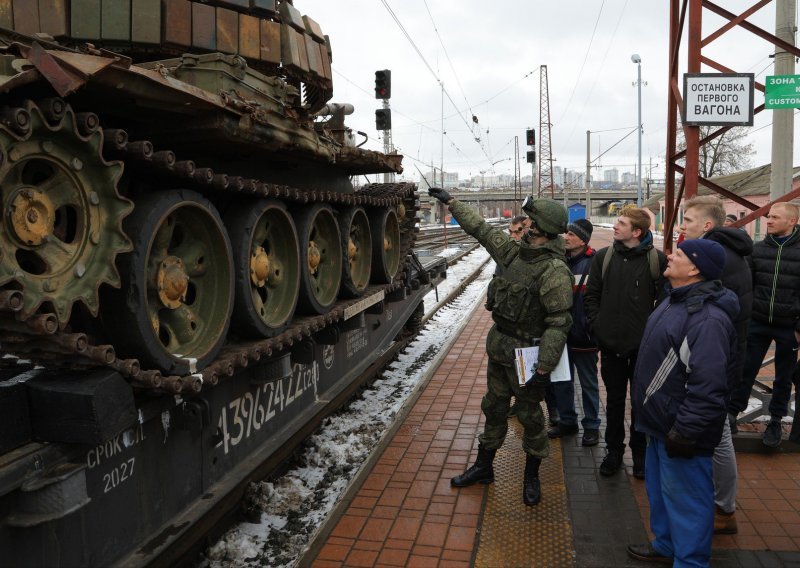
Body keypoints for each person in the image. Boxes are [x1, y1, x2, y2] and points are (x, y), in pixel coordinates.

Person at [429, 187, 573, 506]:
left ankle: (531, 475)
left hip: (528, 356)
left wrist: (544, 368)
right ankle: (484, 468)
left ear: (543, 230)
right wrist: (452, 202)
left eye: (531, 225)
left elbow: (558, 324)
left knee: (530, 416)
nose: (525, 229)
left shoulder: (553, 272)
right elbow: (480, 229)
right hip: (501, 349)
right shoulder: (513, 253)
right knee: (494, 408)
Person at [627, 239, 738, 568]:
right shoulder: (674, 300)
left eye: (678, 253)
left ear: (694, 269)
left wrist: (686, 430)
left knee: (688, 501)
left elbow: (708, 386)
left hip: (681, 428)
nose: (669, 255)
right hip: (660, 422)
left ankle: (689, 562)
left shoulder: (707, 320)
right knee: (662, 495)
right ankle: (666, 545)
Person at [680, 196, 753, 535]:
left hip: (718, 357)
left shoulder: (715, 256)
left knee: (719, 432)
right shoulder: (727, 251)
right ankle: (720, 502)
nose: (682, 226)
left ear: (707, 226)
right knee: (716, 429)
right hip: (723, 353)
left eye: (688, 220)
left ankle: (724, 508)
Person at [584, 207, 666, 479]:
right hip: (610, 346)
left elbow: (665, 303)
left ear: (637, 232)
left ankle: (640, 454)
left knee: (641, 402)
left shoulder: (657, 260)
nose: (615, 226)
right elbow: (591, 296)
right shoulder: (604, 258)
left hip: (644, 349)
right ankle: (614, 452)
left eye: (621, 223)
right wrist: (599, 326)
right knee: (615, 401)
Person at [728, 201, 800, 448]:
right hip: (757, 323)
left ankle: (776, 421)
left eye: (775, 217)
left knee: (784, 377)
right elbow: (748, 287)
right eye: (768, 216)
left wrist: (798, 327)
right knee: (744, 370)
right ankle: (732, 414)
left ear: (792, 221)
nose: (768, 220)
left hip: (789, 327)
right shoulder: (757, 250)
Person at [547, 218, 601, 447]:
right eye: (566, 233)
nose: (566, 237)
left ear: (583, 240)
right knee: (561, 380)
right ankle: (568, 421)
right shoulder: (560, 261)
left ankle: (592, 426)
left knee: (588, 383)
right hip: (561, 336)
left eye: (571, 234)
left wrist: (591, 325)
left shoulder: (594, 263)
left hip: (585, 336)